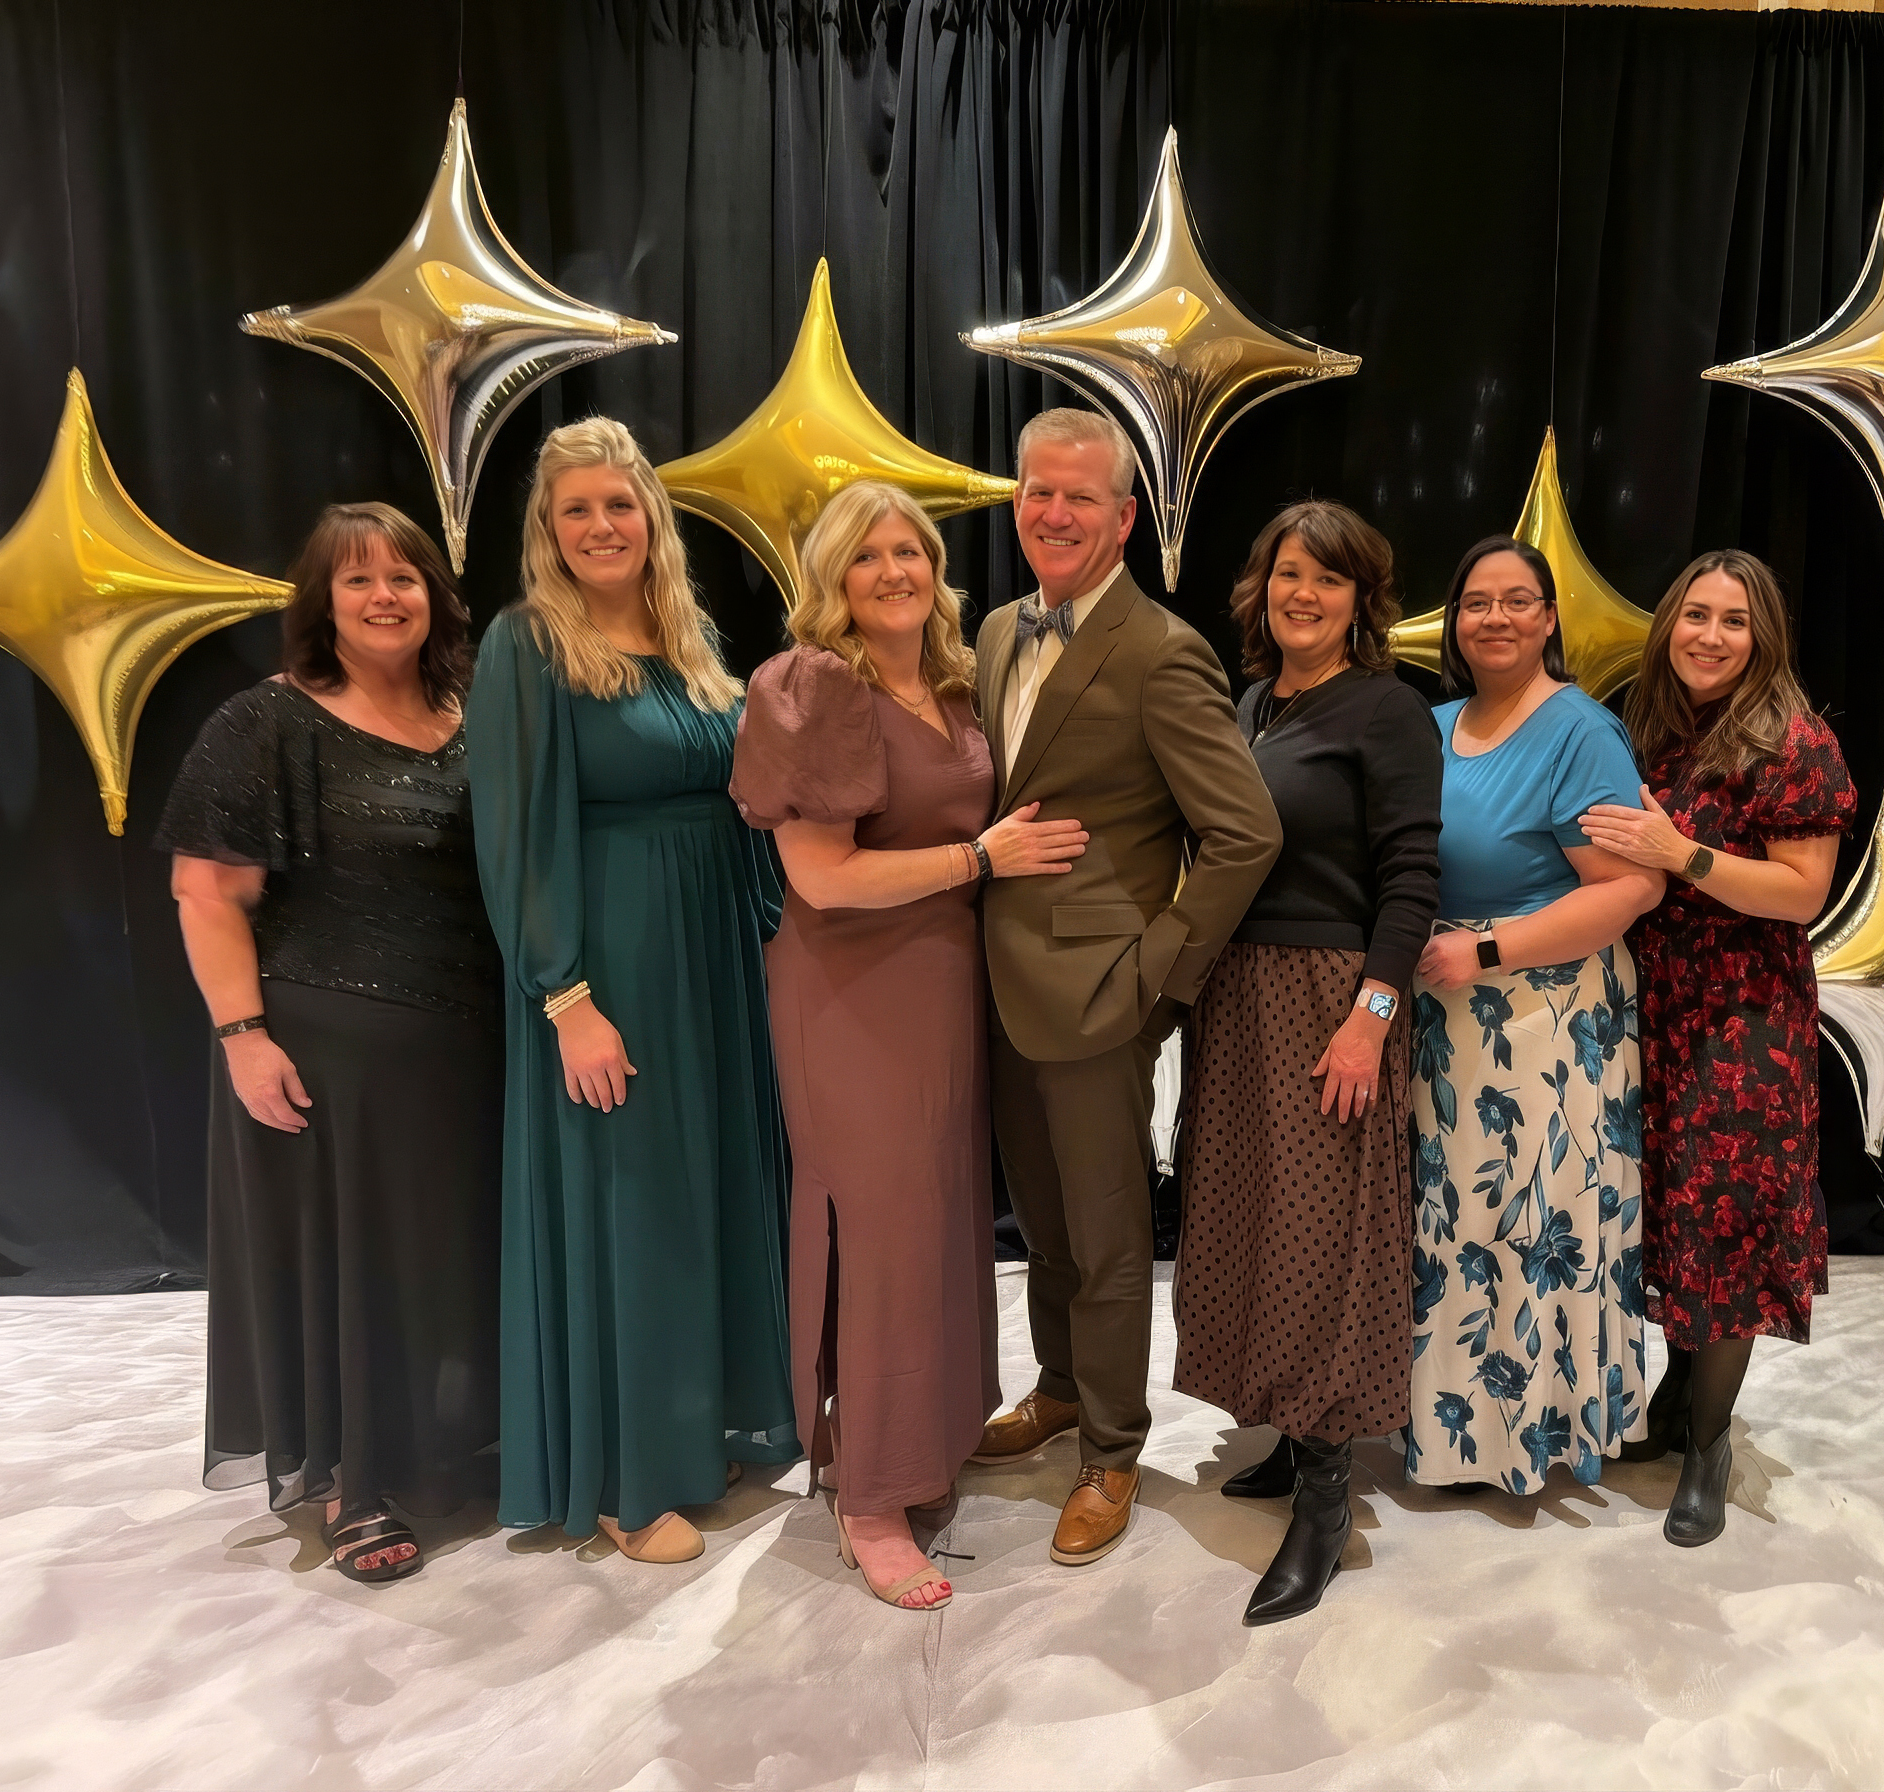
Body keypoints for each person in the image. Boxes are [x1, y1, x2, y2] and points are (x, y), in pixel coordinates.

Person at [730, 482, 1089, 1611]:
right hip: (849, 989)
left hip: (942, 985)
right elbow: (822, 878)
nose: (894, 570)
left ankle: (920, 1445)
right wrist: (981, 861)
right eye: (867, 555)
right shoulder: (811, 684)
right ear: (831, 578)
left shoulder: (949, 681)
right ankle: (870, 1498)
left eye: (911, 551)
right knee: (877, 1226)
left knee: (937, 1219)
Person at [466, 417, 795, 1565]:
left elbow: (743, 801)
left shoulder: (692, 636)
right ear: (547, 532)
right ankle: (625, 1473)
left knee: (714, 1186)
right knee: (633, 1204)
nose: (603, 526)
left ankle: (712, 1424)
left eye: (620, 504)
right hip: (617, 963)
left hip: (717, 954)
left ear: (651, 516)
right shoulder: (526, 645)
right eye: (578, 510)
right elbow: (513, 838)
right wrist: (566, 995)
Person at [159, 502, 500, 1583]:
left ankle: (458, 1442)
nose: (386, 596)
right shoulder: (267, 722)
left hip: (473, 1045)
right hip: (328, 1051)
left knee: (446, 1256)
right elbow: (205, 890)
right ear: (322, 601)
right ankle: (358, 1481)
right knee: (358, 1268)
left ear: (436, 596)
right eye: (358, 580)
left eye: (404, 577)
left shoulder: (477, 709)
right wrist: (242, 1036)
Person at [967, 407, 1281, 1567]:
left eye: (1080, 498)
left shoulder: (1159, 647)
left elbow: (1242, 832)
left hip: (1102, 996)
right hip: (993, 988)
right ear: (1018, 502)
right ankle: (1055, 1388)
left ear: (1125, 517)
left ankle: (1111, 1447)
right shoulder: (997, 629)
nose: (1055, 512)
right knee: (1041, 1225)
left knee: (1104, 1240)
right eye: (1038, 491)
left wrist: (1160, 977)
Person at [1172, 499, 1440, 1625]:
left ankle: (1327, 1498)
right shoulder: (1246, 705)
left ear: (1360, 599)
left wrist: (1371, 1012)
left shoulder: (1388, 711)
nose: (1303, 594)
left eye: (1328, 580)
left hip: (1330, 997)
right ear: (1262, 586)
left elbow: (1412, 877)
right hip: (1237, 996)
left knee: (1327, 1235)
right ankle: (1286, 1431)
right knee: (1248, 1217)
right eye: (1288, 573)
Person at [1580, 549, 1856, 1547]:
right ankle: (1672, 1400)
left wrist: (1680, 855)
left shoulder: (1795, 740)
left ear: (1763, 636)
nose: (1709, 635)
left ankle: (1711, 1443)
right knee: (1668, 1217)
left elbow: (1799, 892)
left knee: (1726, 1225)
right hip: (1650, 1005)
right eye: (1694, 614)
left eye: (1733, 621)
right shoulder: (1646, 731)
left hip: (1745, 1021)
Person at [1403, 535, 1664, 1495]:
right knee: (1456, 1224)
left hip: (1540, 1021)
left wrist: (1483, 951)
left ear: (1550, 618)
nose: (1497, 618)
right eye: (1477, 602)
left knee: (1529, 1219)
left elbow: (1630, 888)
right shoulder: (1428, 726)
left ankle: (1534, 1433)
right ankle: (1453, 1425)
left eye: (1519, 600)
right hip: (1445, 1016)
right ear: (1454, 621)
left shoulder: (1580, 730)